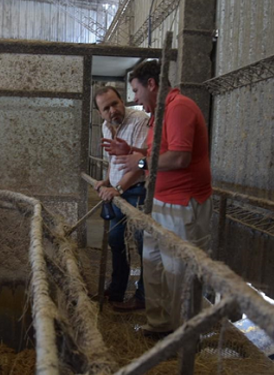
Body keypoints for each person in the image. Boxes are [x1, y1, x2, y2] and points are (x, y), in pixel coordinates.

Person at [102, 60, 213, 337]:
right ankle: (159, 324)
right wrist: (133, 149)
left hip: (182, 204)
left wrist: (140, 164)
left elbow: (179, 157)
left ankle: (184, 334)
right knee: (152, 263)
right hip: (160, 201)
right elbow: (158, 152)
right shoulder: (159, 114)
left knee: (179, 270)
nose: (135, 99)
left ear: (152, 84)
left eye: (136, 91)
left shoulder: (179, 108)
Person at [93, 86, 149, 311]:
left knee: (143, 244)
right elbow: (112, 160)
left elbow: (140, 164)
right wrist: (107, 181)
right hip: (118, 192)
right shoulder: (107, 127)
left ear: (121, 101)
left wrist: (117, 187)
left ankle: (142, 296)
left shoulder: (139, 121)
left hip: (136, 191)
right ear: (100, 113)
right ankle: (116, 290)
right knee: (116, 241)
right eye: (106, 108)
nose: (112, 111)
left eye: (115, 103)